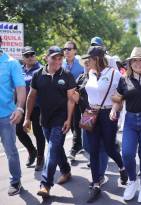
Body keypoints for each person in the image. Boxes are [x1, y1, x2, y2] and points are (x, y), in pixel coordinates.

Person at [23, 46, 76, 198]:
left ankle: (45, 184)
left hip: (61, 119)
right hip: (45, 119)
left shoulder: (66, 75)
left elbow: (71, 100)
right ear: (46, 58)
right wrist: (27, 117)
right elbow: (31, 96)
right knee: (56, 148)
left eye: (60, 58)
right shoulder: (37, 74)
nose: (58, 61)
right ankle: (66, 171)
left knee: (52, 149)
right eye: (54, 58)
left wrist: (68, 119)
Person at [81, 46, 127, 203]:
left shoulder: (114, 74)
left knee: (109, 147)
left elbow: (120, 96)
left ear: (97, 59)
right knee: (92, 150)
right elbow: (86, 92)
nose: (87, 61)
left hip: (108, 114)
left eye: (90, 58)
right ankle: (95, 184)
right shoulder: (90, 73)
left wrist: (115, 109)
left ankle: (122, 167)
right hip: (90, 113)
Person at [112, 47, 141, 203]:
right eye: (134, 60)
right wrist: (113, 110)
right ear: (130, 64)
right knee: (127, 153)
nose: (138, 63)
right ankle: (132, 181)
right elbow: (118, 99)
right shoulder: (123, 80)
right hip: (130, 121)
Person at [71, 58, 110, 189]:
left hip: (102, 114)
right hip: (87, 115)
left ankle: (100, 176)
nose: (88, 65)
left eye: (90, 62)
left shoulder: (103, 77)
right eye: (86, 63)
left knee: (102, 147)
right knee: (87, 146)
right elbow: (74, 95)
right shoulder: (81, 78)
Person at [0, 35, 26, 196]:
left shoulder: (11, 63)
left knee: (10, 151)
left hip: (6, 116)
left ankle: (15, 181)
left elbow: (21, 88)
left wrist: (20, 109)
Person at [15, 46, 45, 171]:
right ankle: (32, 151)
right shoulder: (19, 70)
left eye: (32, 54)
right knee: (19, 130)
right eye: (27, 55)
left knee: (38, 133)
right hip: (21, 106)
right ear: (23, 58)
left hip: (37, 106)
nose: (30, 57)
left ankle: (40, 157)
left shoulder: (42, 69)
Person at [62, 41, 85, 161]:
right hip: (63, 99)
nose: (66, 51)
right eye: (65, 48)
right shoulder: (60, 63)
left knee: (76, 122)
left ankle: (74, 148)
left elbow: (86, 79)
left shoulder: (81, 64)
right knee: (69, 122)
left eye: (69, 49)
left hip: (76, 97)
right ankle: (79, 144)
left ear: (75, 51)